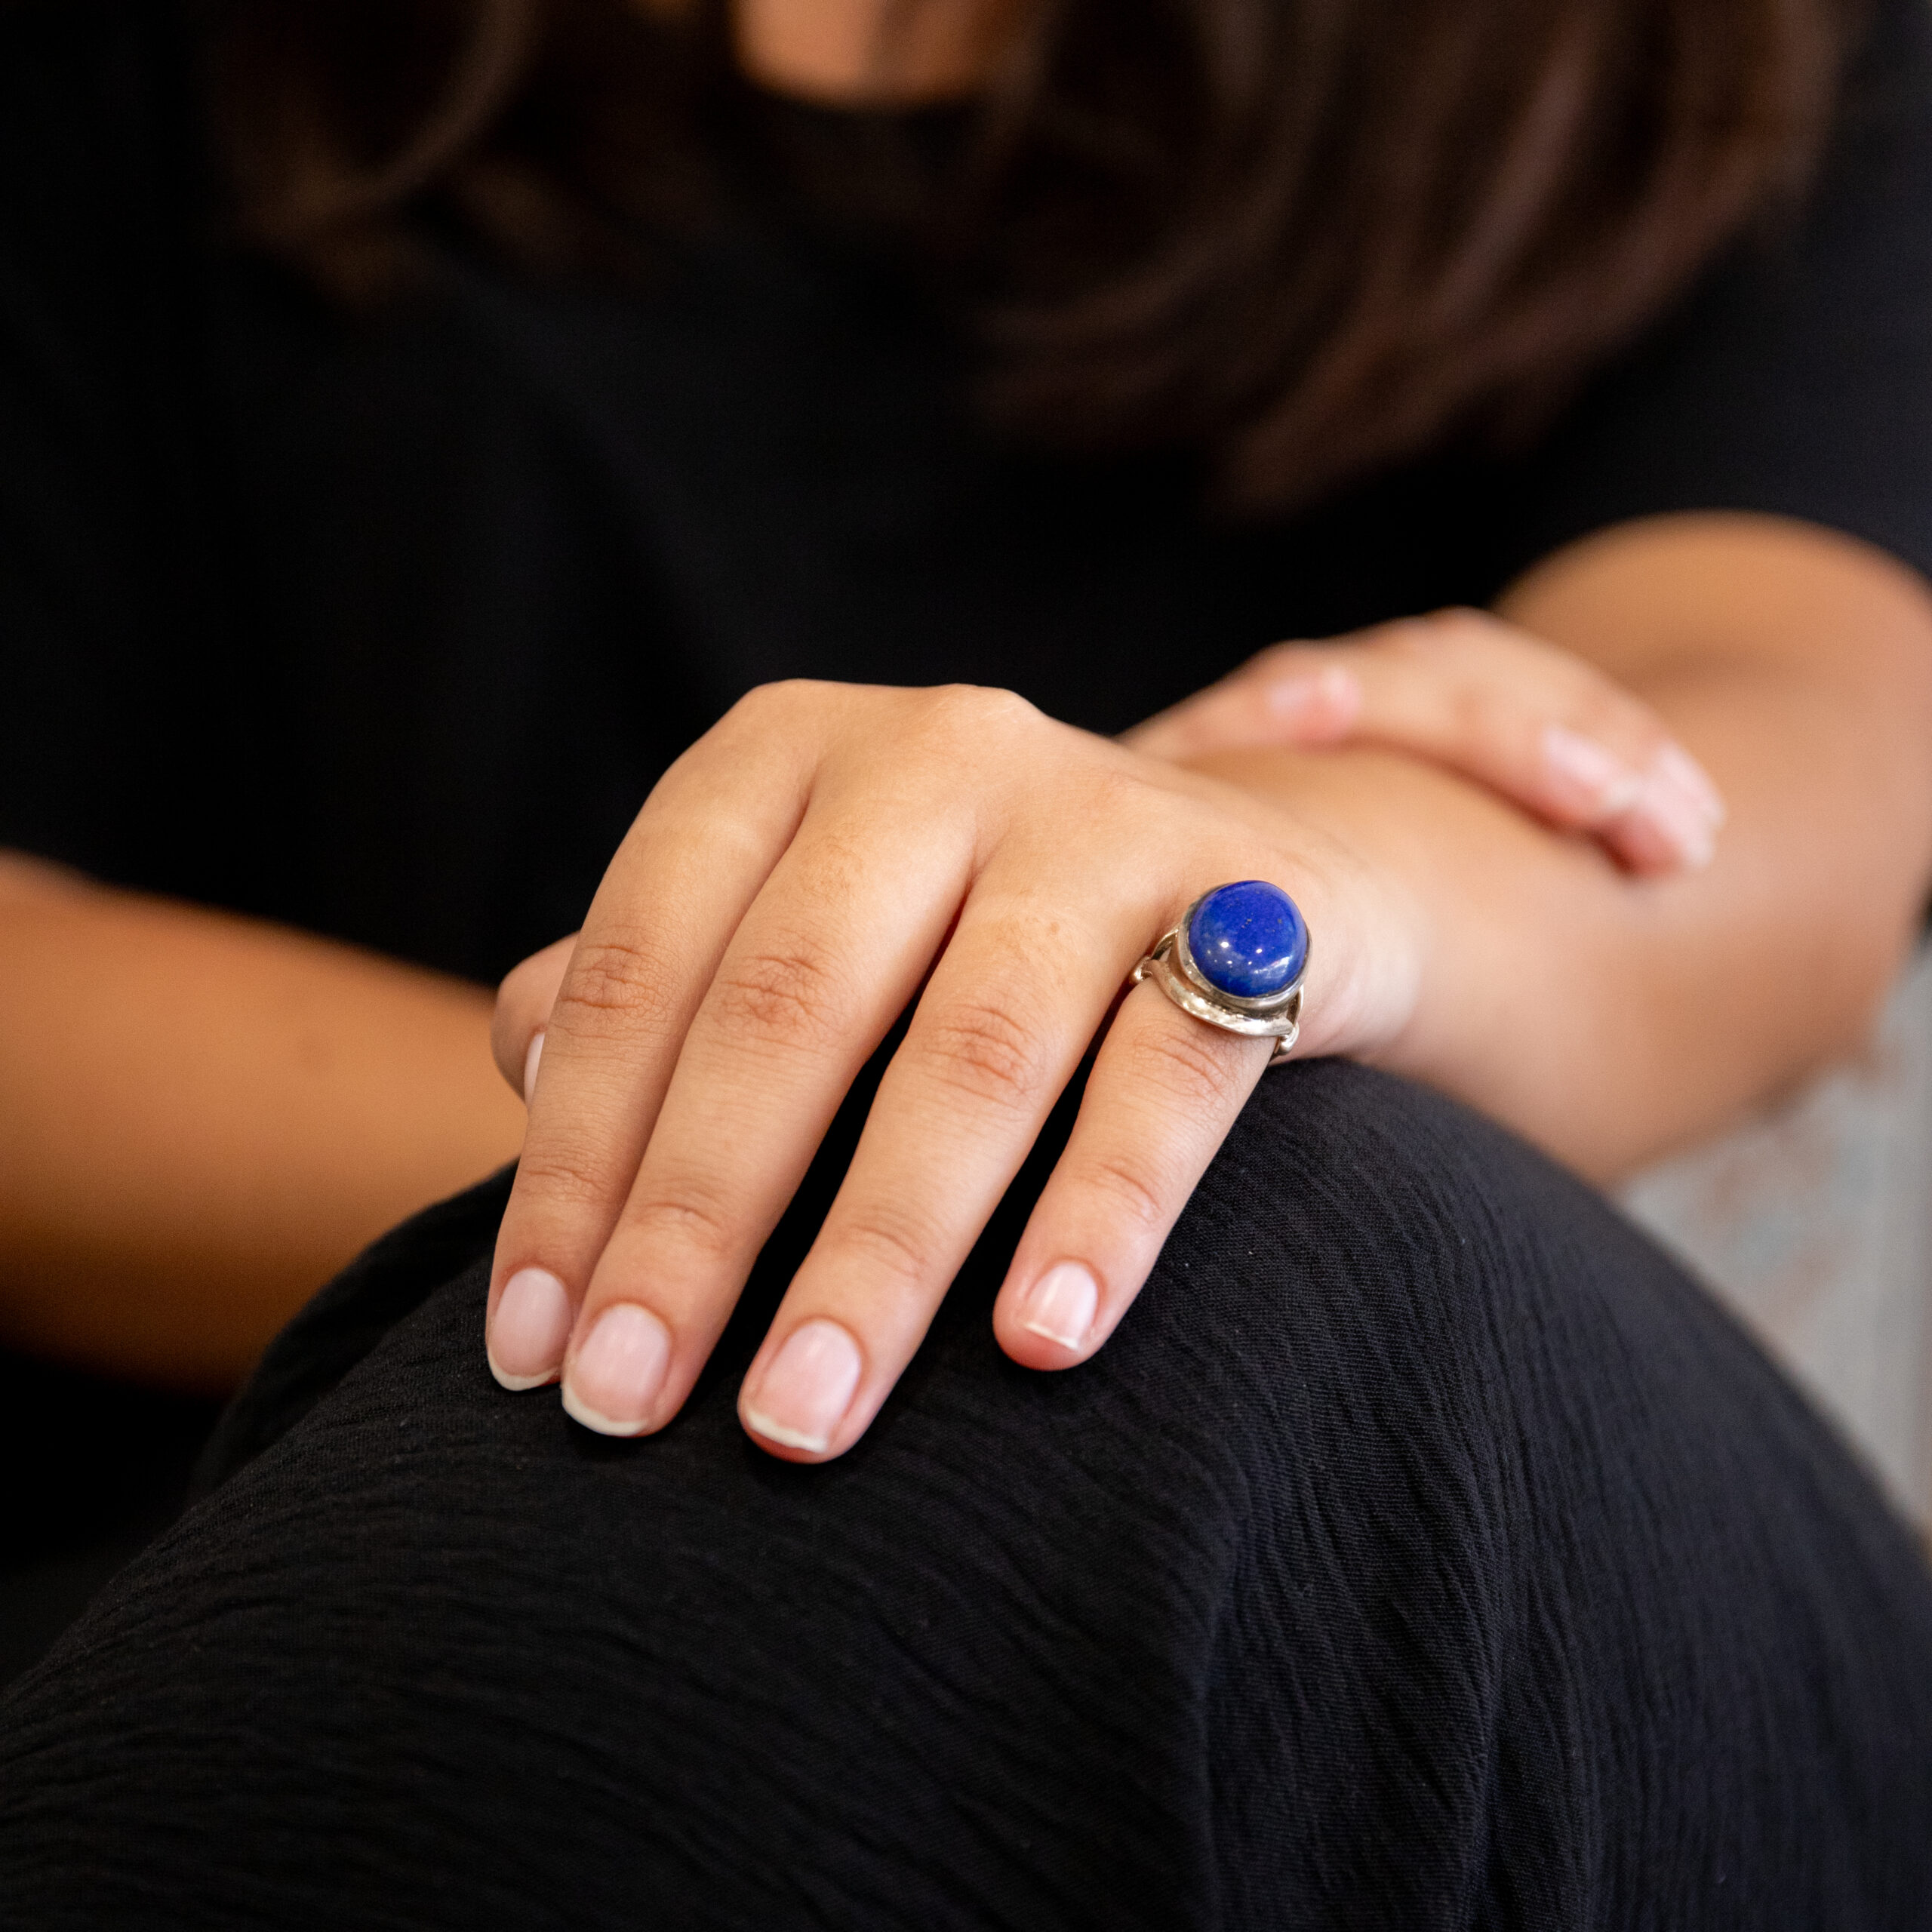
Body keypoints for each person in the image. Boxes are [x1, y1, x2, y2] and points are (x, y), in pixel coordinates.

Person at [1, 0, 1931, 1918]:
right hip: (285, 1494)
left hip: (1441, 1533)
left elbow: (1783, 753)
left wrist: (1283, 882)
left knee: (1225, 1228)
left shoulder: (1734, 51)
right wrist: (862, 1129)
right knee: (1113, 1273)